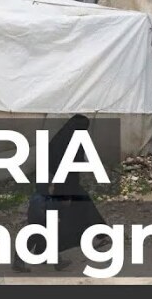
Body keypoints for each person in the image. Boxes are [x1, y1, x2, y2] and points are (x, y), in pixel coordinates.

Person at [13, 115, 109, 272]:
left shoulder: (60, 141)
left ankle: (48, 256)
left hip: (54, 187)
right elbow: (67, 171)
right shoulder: (70, 144)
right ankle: (35, 258)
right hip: (55, 188)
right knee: (43, 223)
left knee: (47, 223)